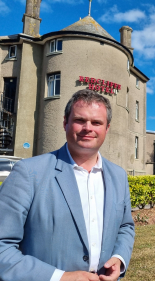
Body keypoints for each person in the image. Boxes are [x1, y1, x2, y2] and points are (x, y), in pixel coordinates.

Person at [0, 90, 135, 281]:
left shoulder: (119, 176)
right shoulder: (28, 173)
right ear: (65, 123)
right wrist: (59, 277)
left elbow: (125, 226)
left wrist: (119, 259)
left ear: (107, 128)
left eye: (97, 122)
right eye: (80, 120)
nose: (88, 128)